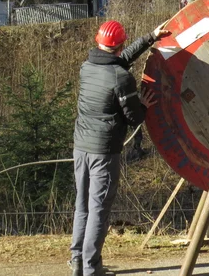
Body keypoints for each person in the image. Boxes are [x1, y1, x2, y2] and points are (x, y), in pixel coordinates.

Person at [69, 20, 170, 276]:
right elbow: (134, 118)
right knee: (99, 209)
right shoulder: (121, 78)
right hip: (104, 151)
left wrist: (151, 37)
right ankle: (92, 269)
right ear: (120, 44)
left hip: (81, 148)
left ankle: (77, 263)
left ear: (99, 42)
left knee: (82, 207)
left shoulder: (87, 66)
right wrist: (144, 105)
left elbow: (118, 61)